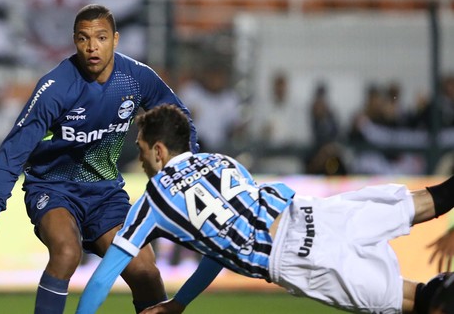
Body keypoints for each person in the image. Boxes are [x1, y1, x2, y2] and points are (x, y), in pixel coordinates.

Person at [75, 103, 454, 314]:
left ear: (158, 151)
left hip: (296, 257)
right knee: (429, 201)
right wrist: (180, 303)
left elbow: (103, 277)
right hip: (313, 212)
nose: (141, 161)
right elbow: (219, 249)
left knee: (415, 301)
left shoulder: (153, 199)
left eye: (142, 152)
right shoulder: (222, 161)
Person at [0, 4, 199, 314]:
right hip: (53, 187)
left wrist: (188, 167)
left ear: (115, 39)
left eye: (100, 38)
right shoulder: (56, 88)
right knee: (67, 252)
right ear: (74, 41)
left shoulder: (136, 78)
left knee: (145, 270)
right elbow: (15, 149)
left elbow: (180, 121)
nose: (92, 47)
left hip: (105, 192)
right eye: (84, 39)